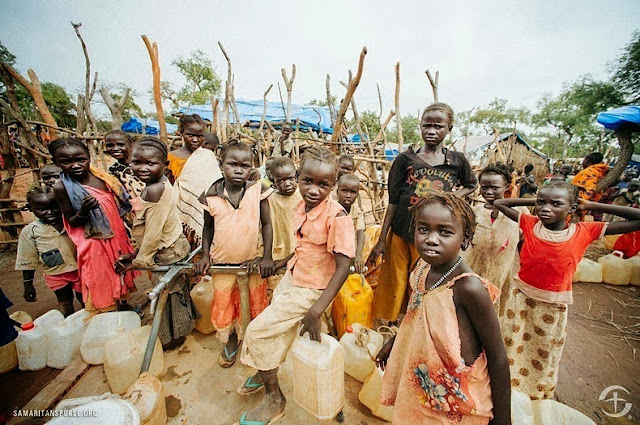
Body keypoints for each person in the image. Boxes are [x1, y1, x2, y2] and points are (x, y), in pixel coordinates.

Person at [236, 146, 355, 425]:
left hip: (311, 290)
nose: (314, 190)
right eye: (308, 181)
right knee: (281, 330)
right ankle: (266, 368)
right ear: (300, 177)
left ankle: (275, 398)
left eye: (323, 185)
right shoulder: (301, 206)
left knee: (258, 332)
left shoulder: (337, 218)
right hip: (293, 277)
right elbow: (304, 247)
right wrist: (280, 263)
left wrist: (316, 309)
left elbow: (343, 268)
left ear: (333, 186)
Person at [494, 181, 640, 399]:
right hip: (521, 299)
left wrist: (591, 205)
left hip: (553, 305)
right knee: (512, 344)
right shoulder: (530, 223)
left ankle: (536, 392)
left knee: (544, 350)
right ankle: (511, 389)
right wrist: (534, 201)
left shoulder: (584, 231)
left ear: (571, 209)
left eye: (556, 204)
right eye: (542, 202)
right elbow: (500, 202)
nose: (546, 208)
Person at [376, 192, 510, 425]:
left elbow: (498, 356)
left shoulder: (468, 288)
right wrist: (394, 342)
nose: (431, 239)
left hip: (458, 401)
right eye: (423, 229)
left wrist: (503, 420)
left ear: (465, 238)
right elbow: (415, 316)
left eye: (445, 232)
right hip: (423, 389)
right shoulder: (421, 269)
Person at [368, 102, 477, 323]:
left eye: (438, 126)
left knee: (425, 280)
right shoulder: (405, 160)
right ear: (420, 127)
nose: (431, 131)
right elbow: (393, 201)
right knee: (396, 282)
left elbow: (472, 184)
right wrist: (381, 239)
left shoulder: (456, 161)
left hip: (433, 236)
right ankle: (394, 326)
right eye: (427, 125)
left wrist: (453, 198)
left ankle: (422, 322)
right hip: (401, 232)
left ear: (449, 128)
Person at [194, 140, 274, 368]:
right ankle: (230, 341)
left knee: (254, 301)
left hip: (252, 261)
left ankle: (251, 339)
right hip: (222, 262)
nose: (238, 170)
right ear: (221, 165)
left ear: (251, 167)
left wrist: (266, 256)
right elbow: (208, 228)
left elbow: (267, 224)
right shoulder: (211, 195)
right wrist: (205, 256)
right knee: (224, 302)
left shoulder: (257, 191)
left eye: (245, 165)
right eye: (232, 164)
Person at [115, 137, 196, 348]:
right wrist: (135, 254)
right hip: (171, 245)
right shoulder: (155, 184)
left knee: (166, 295)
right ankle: (176, 333)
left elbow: (153, 233)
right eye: (137, 162)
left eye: (150, 163)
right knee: (173, 293)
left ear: (165, 165)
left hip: (167, 250)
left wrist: (138, 261)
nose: (143, 168)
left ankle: (170, 338)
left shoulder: (155, 189)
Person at [49, 137, 138, 313]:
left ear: (88, 157)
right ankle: (108, 311)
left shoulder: (102, 177)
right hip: (94, 239)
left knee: (120, 269)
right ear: (56, 163)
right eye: (66, 162)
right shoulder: (62, 187)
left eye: (80, 160)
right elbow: (72, 221)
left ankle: (124, 305)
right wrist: (83, 211)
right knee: (101, 275)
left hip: (116, 233)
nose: (75, 165)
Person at [461, 163, 528, 315]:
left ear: (506, 187)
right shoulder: (474, 211)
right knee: (469, 308)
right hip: (473, 270)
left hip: (501, 271)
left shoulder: (519, 213)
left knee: (495, 311)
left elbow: (523, 243)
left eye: (495, 187)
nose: (488, 191)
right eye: (484, 187)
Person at [16, 187, 84, 316]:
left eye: (54, 207)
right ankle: (68, 326)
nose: (49, 212)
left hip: (80, 270)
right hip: (56, 274)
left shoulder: (71, 222)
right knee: (65, 302)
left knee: (85, 298)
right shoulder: (31, 231)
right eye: (41, 209)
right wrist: (28, 285)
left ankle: (90, 323)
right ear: (31, 209)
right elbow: (27, 259)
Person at [172, 125, 222, 248]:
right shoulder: (173, 157)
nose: (195, 140)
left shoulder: (208, 157)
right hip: (181, 205)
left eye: (198, 136)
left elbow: (214, 181)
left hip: (205, 205)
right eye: (191, 135)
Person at [264, 157, 302, 296]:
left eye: (290, 178)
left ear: (296, 176)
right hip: (278, 254)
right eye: (281, 180)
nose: (287, 184)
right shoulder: (269, 200)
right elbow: (264, 227)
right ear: (273, 181)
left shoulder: (303, 197)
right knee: (279, 294)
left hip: (301, 254)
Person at [336, 173, 366, 273]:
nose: (348, 195)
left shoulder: (357, 211)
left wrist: (358, 255)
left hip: (351, 250)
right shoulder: (331, 210)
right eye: (344, 191)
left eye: (353, 192)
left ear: (357, 195)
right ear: (337, 191)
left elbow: (360, 232)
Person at [104, 130, 145, 200]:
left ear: (130, 144)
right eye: (110, 145)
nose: (115, 149)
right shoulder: (113, 171)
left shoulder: (144, 164)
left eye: (120, 144)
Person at [167, 114, 208, 182]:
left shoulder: (207, 156)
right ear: (181, 133)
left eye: (200, 136)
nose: (195, 140)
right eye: (190, 135)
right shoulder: (171, 158)